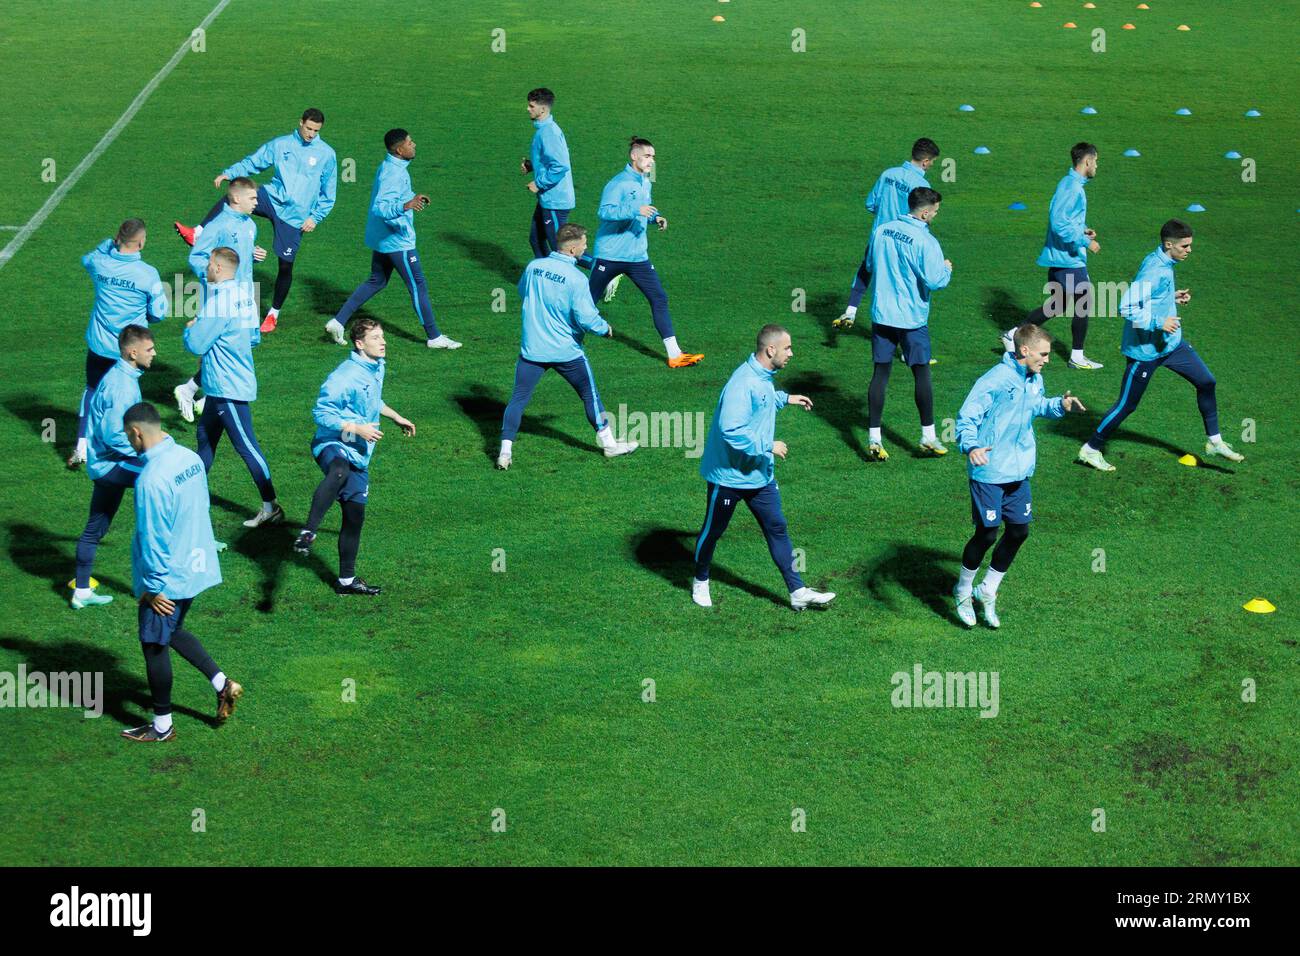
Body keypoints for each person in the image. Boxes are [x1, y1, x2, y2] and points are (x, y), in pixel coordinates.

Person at [1077, 219, 1244, 472]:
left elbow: (1152, 295)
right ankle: (1090, 449)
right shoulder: (1155, 269)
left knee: (1207, 382)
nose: (1189, 250)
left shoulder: (1166, 263)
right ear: (1169, 244)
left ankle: (1215, 441)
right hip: (1145, 352)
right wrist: (1158, 321)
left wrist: (1172, 297)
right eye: (1185, 246)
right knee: (1127, 405)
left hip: (1171, 346)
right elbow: (1127, 306)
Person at [120, 401, 242, 742]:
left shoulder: (150, 480)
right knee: (172, 631)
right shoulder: (190, 458)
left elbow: (154, 536)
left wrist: (154, 586)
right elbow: (200, 506)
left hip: (168, 577)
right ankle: (223, 684)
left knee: (153, 644)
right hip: (195, 564)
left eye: (129, 438)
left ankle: (162, 728)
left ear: (136, 433)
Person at [692, 325, 835, 611]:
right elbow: (730, 429)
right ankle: (700, 580)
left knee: (777, 528)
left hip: (759, 475)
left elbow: (763, 400)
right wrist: (767, 445)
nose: (792, 353)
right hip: (729, 476)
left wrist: (786, 398)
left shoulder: (763, 375)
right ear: (771, 350)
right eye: (788, 348)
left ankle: (797, 591)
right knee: (713, 530)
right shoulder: (742, 383)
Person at [954, 324, 1086, 629]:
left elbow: (1035, 406)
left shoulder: (1034, 377)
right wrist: (971, 445)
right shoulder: (996, 379)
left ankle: (987, 590)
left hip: (1018, 470)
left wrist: (1059, 405)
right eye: (1044, 354)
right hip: (989, 470)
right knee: (987, 533)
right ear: (1024, 351)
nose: (1048, 360)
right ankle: (962, 590)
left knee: (1018, 531)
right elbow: (968, 414)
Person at [175, 108, 337, 333]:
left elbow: (329, 192)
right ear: (300, 122)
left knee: (285, 265)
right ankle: (198, 232)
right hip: (272, 197)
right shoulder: (281, 145)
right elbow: (255, 161)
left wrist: (315, 217)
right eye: (308, 128)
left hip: (296, 217)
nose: (311, 134)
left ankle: (273, 314)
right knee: (235, 196)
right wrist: (229, 173)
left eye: (316, 131)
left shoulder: (326, 154)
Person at [497, 224, 637, 469]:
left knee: (517, 400)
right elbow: (585, 317)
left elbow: (523, 292)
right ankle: (610, 445)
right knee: (589, 395)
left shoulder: (533, 267)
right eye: (584, 243)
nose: (586, 247)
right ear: (572, 250)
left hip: (532, 349)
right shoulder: (576, 279)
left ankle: (504, 452)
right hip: (566, 351)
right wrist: (605, 329)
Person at [294, 317, 416, 595]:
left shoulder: (376, 366)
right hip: (333, 441)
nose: (383, 342)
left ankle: (346, 582)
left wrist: (396, 417)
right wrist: (355, 428)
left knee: (354, 516)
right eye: (376, 338)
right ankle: (308, 532)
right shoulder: (344, 376)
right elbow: (321, 413)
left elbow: (373, 400)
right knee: (338, 471)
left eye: (383, 336)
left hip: (360, 451)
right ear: (360, 344)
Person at [326, 129, 461, 351]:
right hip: (397, 240)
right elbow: (381, 207)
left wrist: (412, 198)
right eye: (410, 142)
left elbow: (392, 196)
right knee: (418, 286)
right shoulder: (394, 173)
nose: (414, 144)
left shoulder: (390, 166)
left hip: (382, 238)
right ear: (399, 150)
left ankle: (338, 321)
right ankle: (434, 337)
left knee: (377, 281)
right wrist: (406, 205)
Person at [183, 247, 284, 527]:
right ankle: (191, 496)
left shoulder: (218, 303)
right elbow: (253, 338)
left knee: (247, 447)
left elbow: (195, 344)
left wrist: (192, 326)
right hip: (221, 385)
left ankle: (271, 506)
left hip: (227, 386)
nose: (205, 270)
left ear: (217, 267)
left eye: (208, 265)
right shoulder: (245, 295)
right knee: (205, 438)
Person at [587, 137, 703, 368]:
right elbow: (604, 212)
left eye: (653, 157)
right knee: (587, 301)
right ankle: (563, 340)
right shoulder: (617, 183)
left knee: (659, 298)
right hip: (610, 254)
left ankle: (674, 354)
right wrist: (634, 209)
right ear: (634, 156)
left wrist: (655, 217)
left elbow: (645, 208)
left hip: (637, 257)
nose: (652, 161)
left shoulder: (646, 181)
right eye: (648, 156)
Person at [71, 325, 156, 609]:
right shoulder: (122, 386)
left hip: (105, 464)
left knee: (96, 528)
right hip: (111, 464)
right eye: (149, 349)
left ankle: (81, 592)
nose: (154, 354)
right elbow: (113, 435)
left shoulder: (125, 375)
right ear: (133, 352)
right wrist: (146, 452)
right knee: (162, 475)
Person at [864, 186, 952, 460]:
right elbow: (936, 281)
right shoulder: (926, 242)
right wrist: (947, 268)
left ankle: (874, 437)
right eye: (935, 212)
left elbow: (869, 265)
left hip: (882, 314)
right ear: (925, 213)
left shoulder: (882, 230)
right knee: (921, 373)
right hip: (911, 318)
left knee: (880, 374)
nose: (935, 216)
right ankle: (927, 436)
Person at [72, 219, 168, 467]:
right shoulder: (148, 274)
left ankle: (82, 446)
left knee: (93, 391)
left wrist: (108, 244)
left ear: (118, 238)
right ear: (141, 242)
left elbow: (86, 258)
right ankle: (131, 445)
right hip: (130, 350)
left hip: (100, 344)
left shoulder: (99, 263)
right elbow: (159, 312)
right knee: (127, 397)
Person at [1005, 143, 1105, 369]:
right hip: (1067, 258)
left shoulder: (1070, 184)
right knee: (1084, 301)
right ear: (1087, 161)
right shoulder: (1072, 188)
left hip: (1062, 255)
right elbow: (1059, 224)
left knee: (1058, 304)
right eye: (1096, 161)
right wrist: (1086, 241)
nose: (1097, 166)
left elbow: (1067, 221)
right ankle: (1076, 357)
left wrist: (1083, 229)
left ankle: (1013, 333)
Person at [173, 177, 265, 424]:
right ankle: (205, 395)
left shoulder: (249, 225)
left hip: (246, 294)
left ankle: (196, 392)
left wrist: (253, 255)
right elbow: (197, 257)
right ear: (236, 198)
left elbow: (238, 259)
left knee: (243, 345)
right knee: (226, 346)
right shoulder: (219, 225)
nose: (257, 202)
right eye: (253, 198)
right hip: (223, 297)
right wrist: (214, 282)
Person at [833, 137, 940, 329]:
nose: (931, 165)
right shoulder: (922, 186)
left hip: (880, 236)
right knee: (902, 283)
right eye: (932, 162)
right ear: (926, 161)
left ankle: (850, 311)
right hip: (906, 240)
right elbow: (923, 217)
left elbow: (870, 204)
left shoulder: (888, 174)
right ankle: (906, 339)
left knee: (867, 268)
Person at [521, 88, 577, 259]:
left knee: (561, 249)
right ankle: (546, 280)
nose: (528, 109)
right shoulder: (544, 130)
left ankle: (605, 269)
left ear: (543, 109)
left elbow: (560, 166)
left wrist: (539, 183)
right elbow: (550, 160)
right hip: (548, 198)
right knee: (536, 240)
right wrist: (533, 166)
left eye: (531, 106)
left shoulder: (548, 133)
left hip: (555, 200)